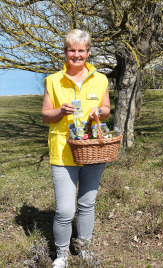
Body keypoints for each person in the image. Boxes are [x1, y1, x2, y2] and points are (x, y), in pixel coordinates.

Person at [42, 29, 111, 268]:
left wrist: (98, 112)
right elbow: (45, 115)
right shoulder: (52, 80)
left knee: (87, 204)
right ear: (65, 52)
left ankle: (84, 250)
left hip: (92, 150)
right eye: (72, 50)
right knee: (64, 210)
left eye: (81, 50)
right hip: (63, 151)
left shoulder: (101, 79)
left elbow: (106, 108)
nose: (77, 55)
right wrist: (60, 111)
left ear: (88, 52)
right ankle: (61, 255)